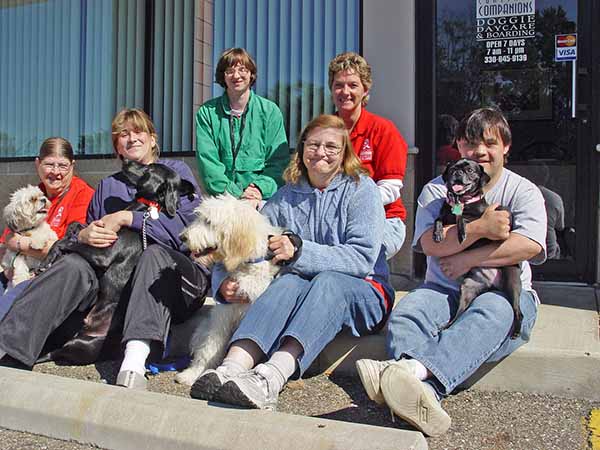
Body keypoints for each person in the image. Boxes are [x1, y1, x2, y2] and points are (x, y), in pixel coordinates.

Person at [355, 108, 547, 436]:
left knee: (491, 312)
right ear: (458, 146)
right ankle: (421, 393)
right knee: (407, 314)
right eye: (471, 144)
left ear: (506, 147)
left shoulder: (523, 190)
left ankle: (410, 376)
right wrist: (480, 228)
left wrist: (470, 260)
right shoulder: (436, 190)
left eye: (490, 143)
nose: (480, 152)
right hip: (443, 289)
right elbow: (429, 243)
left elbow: (528, 245)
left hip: (502, 293)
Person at [189, 114, 394, 410]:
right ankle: (231, 368)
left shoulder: (362, 190)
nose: (320, 152)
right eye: (313, 144)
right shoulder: (284, 198)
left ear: (344, 153)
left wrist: (300, 252)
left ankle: (271, 376)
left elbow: (362, 259)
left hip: (367, 293)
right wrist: (222, 285)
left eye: (331, 147)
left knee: (326, 280)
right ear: (301, 149)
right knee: (291, 280)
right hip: (306, 294)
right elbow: (244, 246)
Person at [0, 109, 210, 388]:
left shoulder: (176, 172)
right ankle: (10, 350)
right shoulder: (108, 186)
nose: (132, 138)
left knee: (153, 255)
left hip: (171, 276)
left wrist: (126, 218)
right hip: (114, 279)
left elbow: (186, 233)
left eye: (138, 132)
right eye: (123, 134)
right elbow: (89, 237)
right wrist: (85, 234)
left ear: (152, 139)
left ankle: (135, 361)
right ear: (116, 146)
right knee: (74, 264)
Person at [0, 137, 94, 321]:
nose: (56, 172)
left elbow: (67, 250)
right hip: (15, 271)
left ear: (72, 166)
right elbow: (4, 244)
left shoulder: (83, 195)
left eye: (63, 166)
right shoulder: (33, 194)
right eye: (50, 165)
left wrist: (19, 243)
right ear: (38, 164)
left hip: (51, 278)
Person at [328, 52, 408, 259]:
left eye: (353, 85)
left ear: (365, 89)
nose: (345, 91)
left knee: (354, 259)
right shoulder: (323, 129)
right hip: (331, 218)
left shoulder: (383, 130)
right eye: (338, 85)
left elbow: (390, 189)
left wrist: (348, 205)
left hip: (383, 219)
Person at [195, 47, 289, 209]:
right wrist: (236, 194)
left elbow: (278, 161)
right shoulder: (207, 112)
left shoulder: (270, 111)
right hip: (222, 200)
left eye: (242, 69)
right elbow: (208, 164)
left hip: (262, 200)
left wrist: (258, 189)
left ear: (251, 74)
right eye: (230, 71)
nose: (236, 76)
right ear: (222, 77)